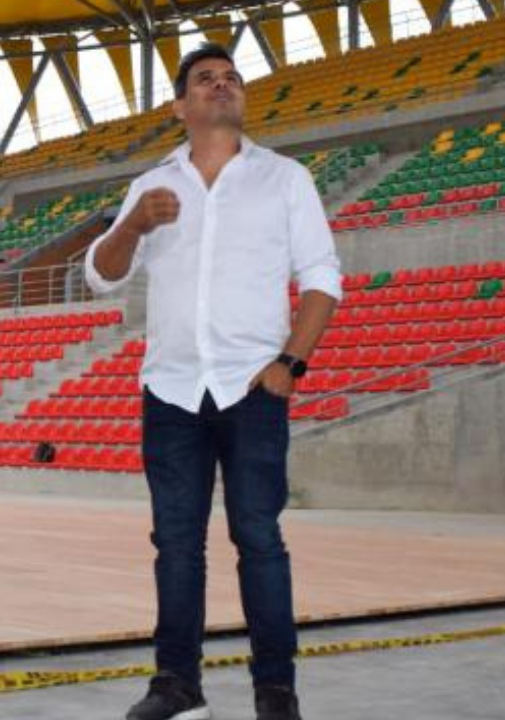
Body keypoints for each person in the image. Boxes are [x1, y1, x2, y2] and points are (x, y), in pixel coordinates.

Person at [84, 44, 341, 720]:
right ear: (180, 106)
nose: (222, 85)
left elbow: (323, 280)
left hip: (253, 389)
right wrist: (134, 224)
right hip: (171, 390)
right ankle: (176, 683)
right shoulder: (149, 186)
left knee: (258, 537)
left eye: (231, 78)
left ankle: (276, 690)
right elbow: (102, 273)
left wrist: (291, 363)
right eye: (206, 79)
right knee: (175, 544)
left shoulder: (285, 179)